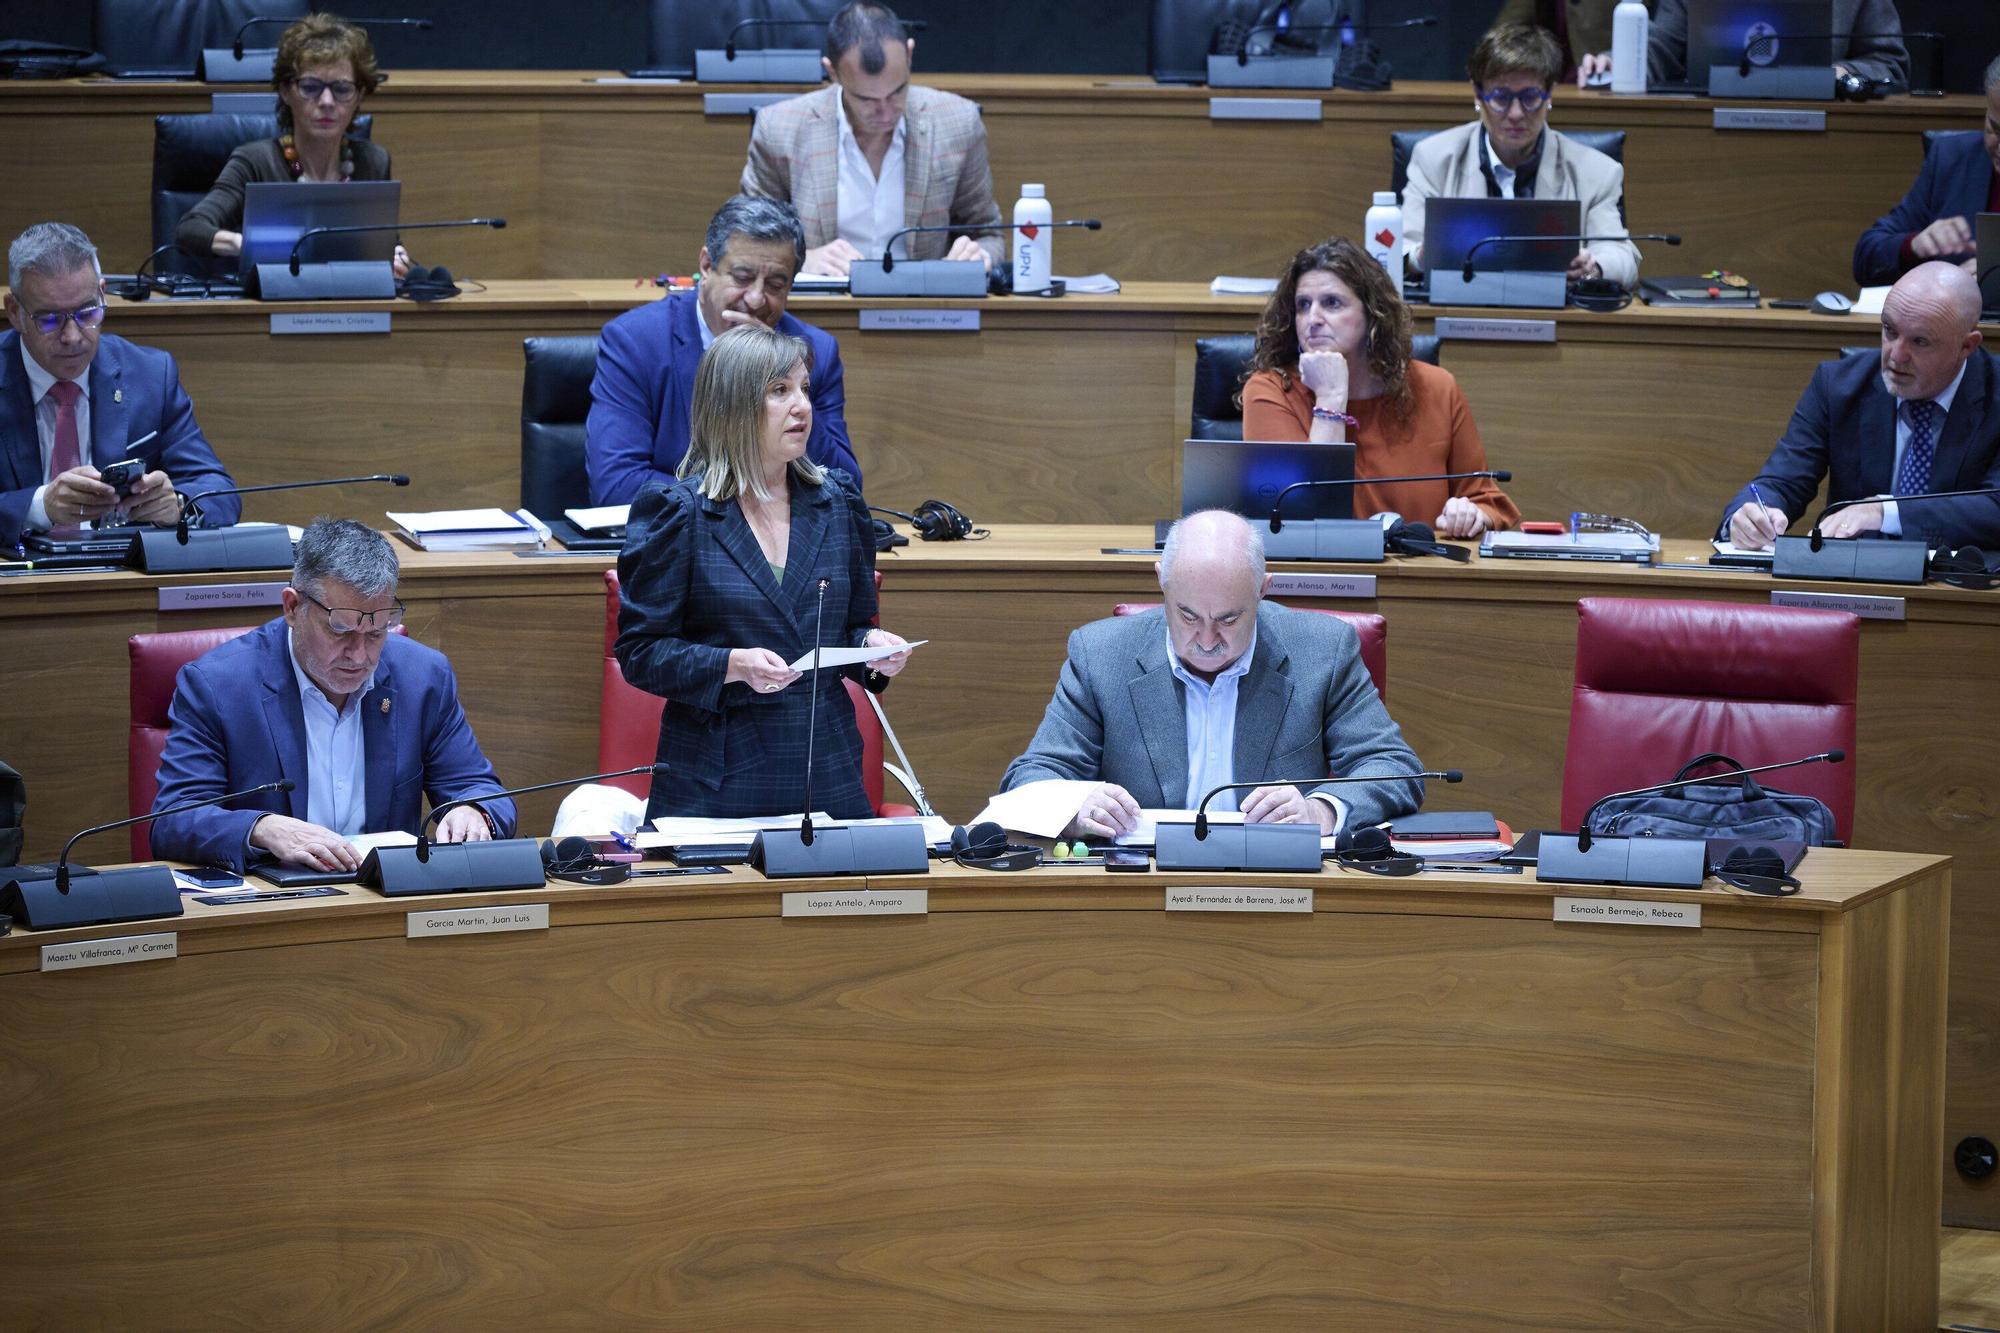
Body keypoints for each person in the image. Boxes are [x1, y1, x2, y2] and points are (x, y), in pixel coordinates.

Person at [614, 323, 911, 822]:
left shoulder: (838, 502)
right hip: (715, 787)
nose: (802, 406)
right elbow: (641, 653)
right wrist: (733, 665)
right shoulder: (678, 512)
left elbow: (855, 627)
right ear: (731, 406)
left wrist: (874, 650)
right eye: (779, 391)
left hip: (827, 777)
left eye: (804, 389)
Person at [1001, 509, 1424, 841]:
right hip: (1141, 888)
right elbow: (1031, 777)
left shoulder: (1323, 650)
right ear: (1161, 582)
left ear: (1262, 590)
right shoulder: (1100, 654)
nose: (1206, 639)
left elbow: (1394, 767)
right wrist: (1074, 808)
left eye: (1228, 618)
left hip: (1278, 888)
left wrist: (1323, 810)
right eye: (1187, 615)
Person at [150, 519, 517, 874]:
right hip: (274, 904)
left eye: (376, 632)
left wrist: (473, 811)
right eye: (340, 630)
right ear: (293, 607)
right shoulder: (218, 685)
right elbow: (173, 820)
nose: (359, 656)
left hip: (384, 901)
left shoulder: (423, 678)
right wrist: (262, 828)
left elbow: (479, 787)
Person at [1239, 237, 1522, 538]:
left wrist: (1470, 514)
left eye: (1332, 303)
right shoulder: (1271, 390)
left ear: (1372, 314)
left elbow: (1486, 500)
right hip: (1323, 581)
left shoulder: (1437, 388)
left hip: (1422, 575)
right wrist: (1331, 399)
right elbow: (1305, 519)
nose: (1313, 319)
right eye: (1303, 305)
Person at [587, 195, 859, 506]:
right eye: (742, 278)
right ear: (706, 265)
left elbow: (844, 487)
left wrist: (780, 367)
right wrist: (746, 500)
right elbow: (616, 486)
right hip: (677, 546)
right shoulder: (637, 342)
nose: (756, 299)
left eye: (775, 285)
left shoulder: (815, 351)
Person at [1722, 261, 2000, 552]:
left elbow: (1995, 508)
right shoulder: (1838, 385)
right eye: (1890, 331)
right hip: (1851, 584)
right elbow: (1782, 480)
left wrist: (1884, 511)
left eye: (1920, 341)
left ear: (1967, 346)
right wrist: (1750, 514)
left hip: (1957, 586)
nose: (1897, 355)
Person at [1, 222, 240, 550]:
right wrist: (38, 507)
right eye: (50, 320)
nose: (72, 337)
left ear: (102, 292)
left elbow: (219, 490)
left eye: (87, 312)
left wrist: (178, 506)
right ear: (14, 312)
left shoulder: (151, 375)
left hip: (120, 574)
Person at [740, 1, 1003, 277]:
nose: (886, 112)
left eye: (897, 92)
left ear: (909, 56)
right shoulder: (780, 129)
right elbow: (749, 242)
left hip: (926, 310)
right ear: (833, 73)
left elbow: (989, 234)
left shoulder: (958, 123)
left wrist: (978, 254)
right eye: (866, 99)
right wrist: (803, 259)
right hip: (826, 307)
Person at [1403, 23, 1639, 291]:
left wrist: (1593, 266)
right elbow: (1399, 248)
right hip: (1461, 313)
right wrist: (1422, 256)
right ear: (1478, 95)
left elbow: (1623, 258)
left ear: (1549, 95)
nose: (1516, 113)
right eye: (1501, 97)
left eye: (1530, 97)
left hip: (1556, 322)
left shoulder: (1596, 171)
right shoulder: (1433, 158)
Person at [174, 14, 410, 279]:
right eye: (310, 87)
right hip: (272, 308)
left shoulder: (372, 162)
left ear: (359, 96)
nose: (327, 101)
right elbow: (191, 230)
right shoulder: (256, 161)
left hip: (350, 309)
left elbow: (385, 243)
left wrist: (395, 255)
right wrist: (251, 246)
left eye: (342, 89)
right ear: (285, 91)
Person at [1852, 54, 2000, 287]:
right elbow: (1867, 258)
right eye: (1995, 128)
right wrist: (1914, 245)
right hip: (1954, 321)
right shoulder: (1952, 159)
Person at [1578, 0, 1909, 91]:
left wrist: (1843, 73)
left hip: (1828, 139)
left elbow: (1890, 64)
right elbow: (1662, 43)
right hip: (1714, 135)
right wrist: (1617, 63)